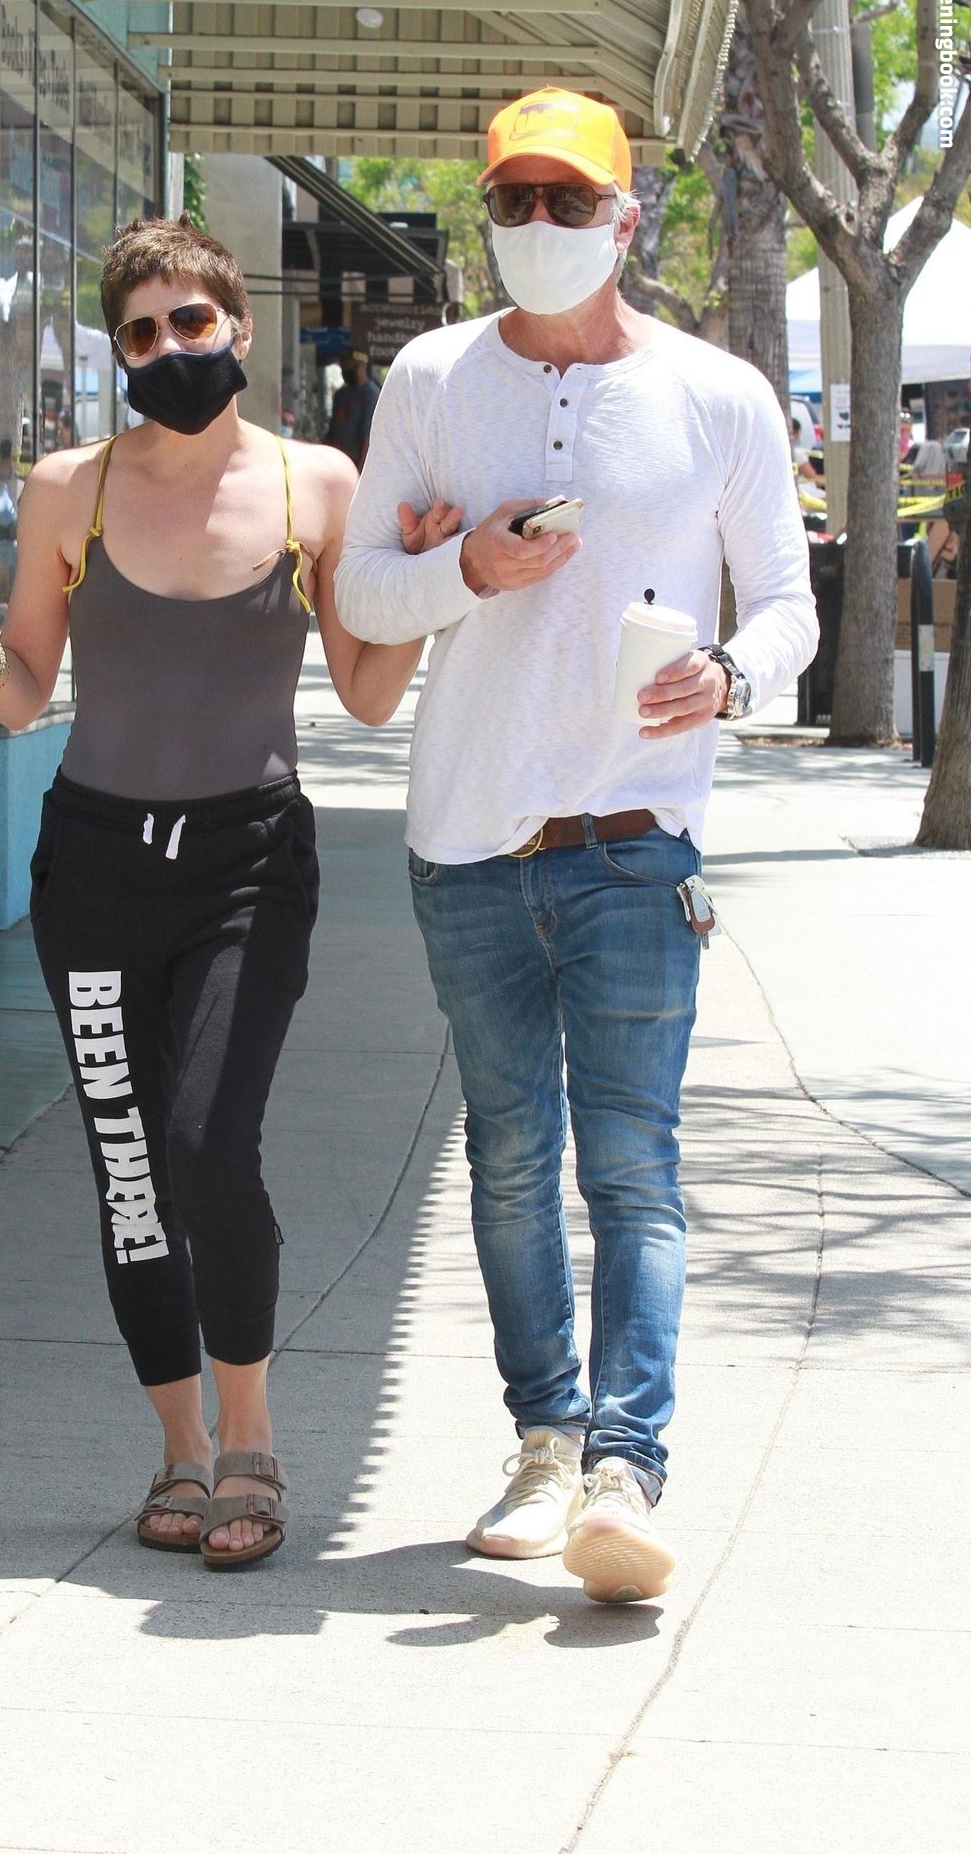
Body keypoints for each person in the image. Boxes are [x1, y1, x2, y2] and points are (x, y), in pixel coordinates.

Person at [335, 87, 819, 1604]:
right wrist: (465, 569)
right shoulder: (428, 378)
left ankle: (625, 1467)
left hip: (634, 841)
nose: (536, 224)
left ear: (624, 215)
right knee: (506, 1159)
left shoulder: (717, 394)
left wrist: (731, 677)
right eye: (511, 200)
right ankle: (543, 1442)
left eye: (566, 200)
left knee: (632, 1166)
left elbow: (789, 607)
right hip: (466, 839)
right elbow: (361, 596)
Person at [0, 215, 442, 1568]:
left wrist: (432, 589)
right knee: (132, 1173)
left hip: (246, 866)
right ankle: (179, 1448)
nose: (167, 348)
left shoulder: (317, 482)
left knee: (206, 1143)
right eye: (139, 332)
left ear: (236, 326)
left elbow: (367, 696)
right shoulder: (68, 490)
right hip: (93, 870)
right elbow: (23, 697)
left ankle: (251, 1435)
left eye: (189, 322)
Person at [326, 355, 380, 469]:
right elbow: (333, 428)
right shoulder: (341, 394)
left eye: (348, 367)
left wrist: (361, 468)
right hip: (337, 460)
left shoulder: (371, 394)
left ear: (361, 367)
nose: (345, 371)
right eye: (342, 367)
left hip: (356, 461)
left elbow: (368, 434)